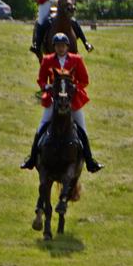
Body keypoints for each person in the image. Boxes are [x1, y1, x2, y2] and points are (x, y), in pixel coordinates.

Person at [20, 33, 102, 174]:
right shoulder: (47, 60)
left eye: (63, 46)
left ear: (67, 47)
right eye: (58, 46)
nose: (61, 49)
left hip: (72, 100)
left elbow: (85, 80)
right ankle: (32, 158)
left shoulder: (76, 59)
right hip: (54, 99)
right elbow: (41, 79)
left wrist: (76, 87)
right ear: (54, 47)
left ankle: (90, 160)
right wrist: (46, 86)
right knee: (42, 127)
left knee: (82, 129)